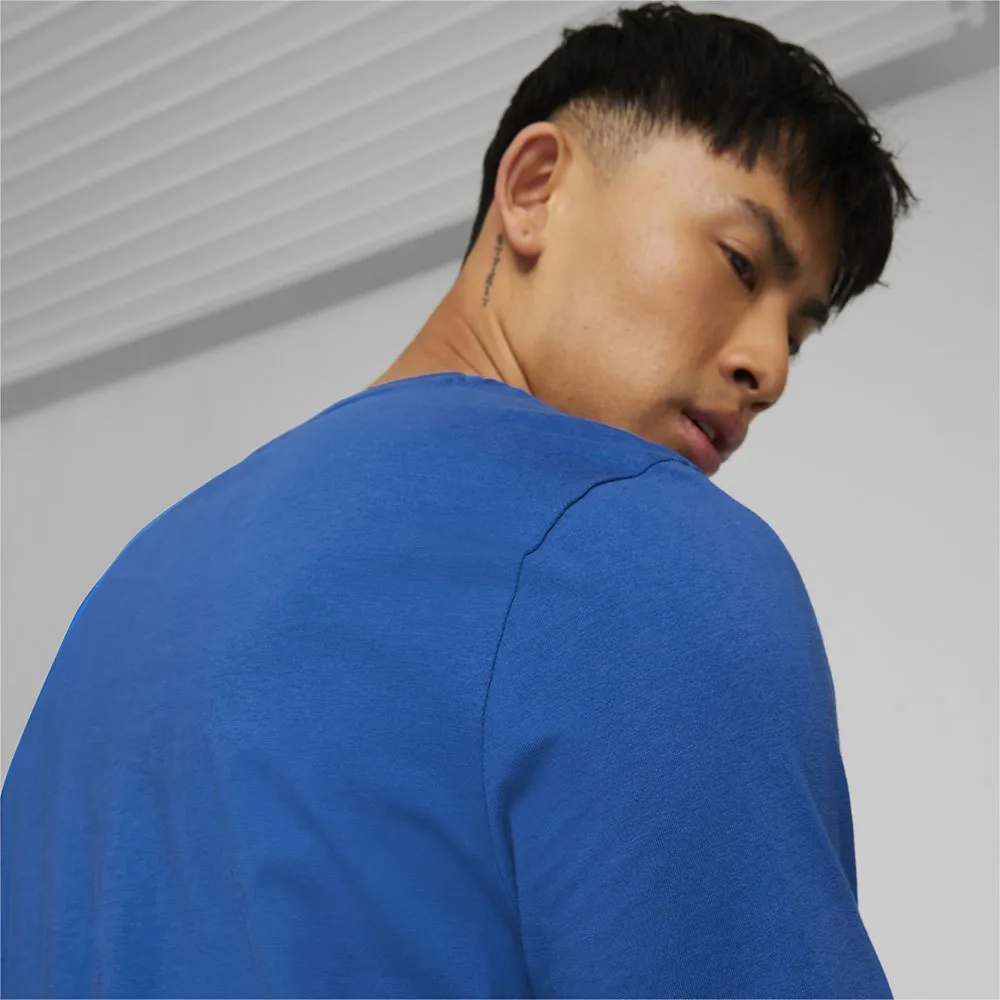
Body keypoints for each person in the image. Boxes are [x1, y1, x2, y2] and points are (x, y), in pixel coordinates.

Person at [2, 3, 915, 997]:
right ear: (534, 188)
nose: (768, 368)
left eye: (799, 334)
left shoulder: (129, 593)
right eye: (738, 264)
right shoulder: (642, 557)